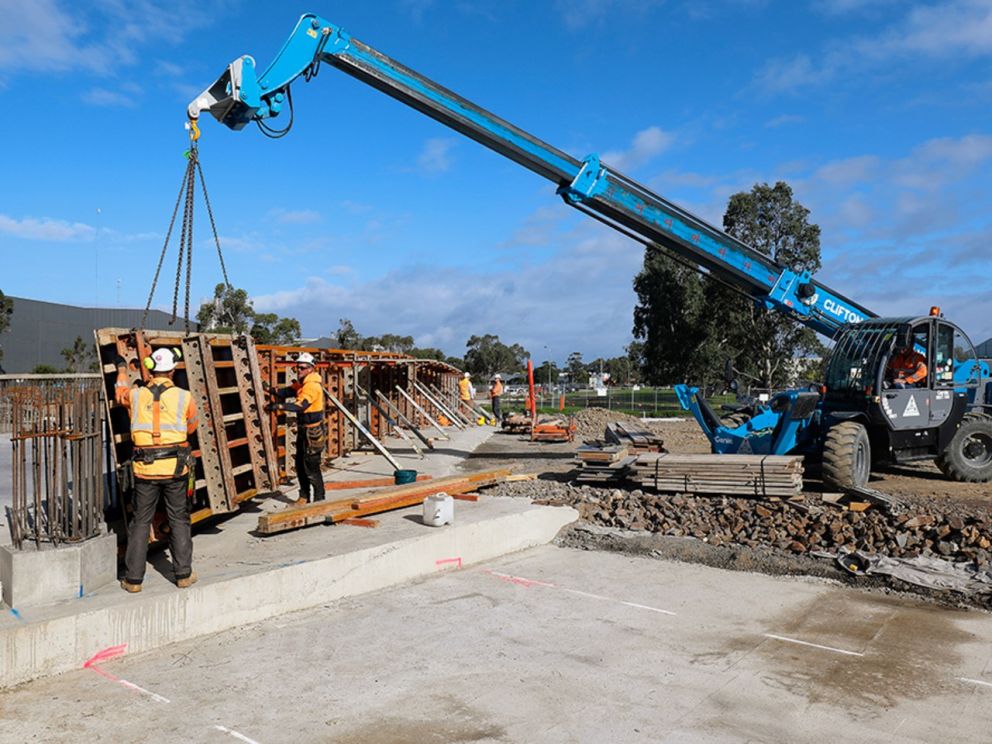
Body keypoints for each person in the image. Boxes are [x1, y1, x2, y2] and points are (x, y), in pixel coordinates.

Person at [115, 347, 198, 593]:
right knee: (179, 519)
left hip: (145, 470)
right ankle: (183, 574)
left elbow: (119, 393)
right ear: (172, 370)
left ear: (151, 369)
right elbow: (191, 427)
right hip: (175, 469)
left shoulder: (136, 395)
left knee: (140, 522)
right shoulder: (185, 396)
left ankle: (133, 580)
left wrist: (121, 369)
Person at [268, 352, 326, 505]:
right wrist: (272, 390)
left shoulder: (312, 386)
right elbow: (288, 391)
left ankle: (319, 500)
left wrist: (280, 406)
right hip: (304, 430)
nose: (298, 370)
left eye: (302, 368)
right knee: (300, 465)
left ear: (311, 369)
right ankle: (304, 497)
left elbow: (301, 406)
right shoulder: (302, 383)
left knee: (312, 468)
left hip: (313, 432)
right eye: (297, 367)